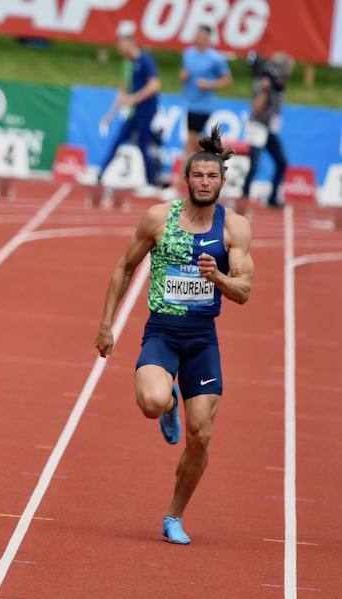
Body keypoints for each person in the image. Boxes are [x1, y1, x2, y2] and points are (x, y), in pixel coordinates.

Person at [95, 127, 254, 544]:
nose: (205, 183)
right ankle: (169, 405)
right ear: (186, 180)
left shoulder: (234, 228)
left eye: (212, 177)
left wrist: (216, 275)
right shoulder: (157, 218)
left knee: (201, 434)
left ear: (222, 182)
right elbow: (123, 267)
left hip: (202, 338)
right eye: (197, 176)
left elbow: (244, 292)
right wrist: (106, 323)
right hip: (163, 331)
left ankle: (174, 516)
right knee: (150, 401)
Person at [97, 23, 160, 189]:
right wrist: (110, 115)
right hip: (133, 112)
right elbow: (123, 92)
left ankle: (152, 182)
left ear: (130, 43)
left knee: (143, 144)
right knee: (118, 140)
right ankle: (99, 176)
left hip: (146, 110)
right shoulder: (126, 64)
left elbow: (154, 85)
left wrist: (135, 98)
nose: (119, 49)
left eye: (121, 45)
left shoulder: (146, 60)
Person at [241, 52, 293, 209]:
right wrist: (265, 90)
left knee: (282, 162)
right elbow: (256, 108)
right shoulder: (263, 82)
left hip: (269, 129)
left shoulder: (279, 84)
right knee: (254, 165)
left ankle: (272, 197)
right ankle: (244, 196)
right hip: (257, 126)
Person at [180, 25, 232, 158]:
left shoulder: (216, 59)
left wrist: (209, 84)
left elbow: (227, 81)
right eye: (198, 36)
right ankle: (209, 160)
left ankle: (186, 174)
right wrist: (183, 76)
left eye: (203, 37)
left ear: (209, 39)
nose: (200, 40)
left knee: (192, 140)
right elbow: (184, 74)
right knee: (192, 142)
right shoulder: (188, 54)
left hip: (204, 105)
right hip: (189, 102)